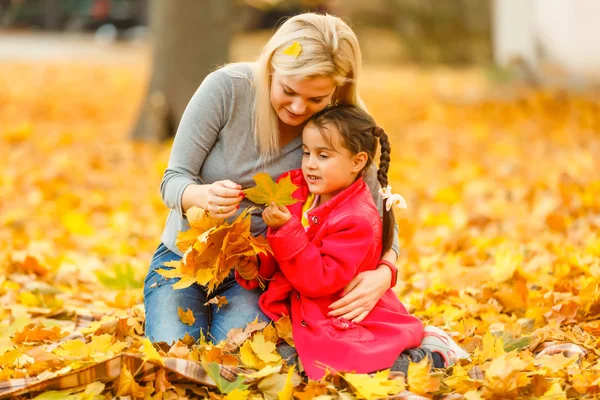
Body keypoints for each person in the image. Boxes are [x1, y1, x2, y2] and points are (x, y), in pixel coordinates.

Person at [143, 13, 468, 365]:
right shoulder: (227, 89)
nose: (299, 108)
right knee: (174, 358)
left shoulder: (339, 124)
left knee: (235, 361)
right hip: (185, 259)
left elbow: (379, 210)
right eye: (288, 91)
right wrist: (202, 196)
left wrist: (385, 271)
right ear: (271, 67)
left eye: (315, 99)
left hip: (260, 277)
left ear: (337, 90)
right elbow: (172, 180)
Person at [238, 106, 468, 379]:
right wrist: (258, 264)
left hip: (335, 311)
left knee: (345, 367)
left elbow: (319, 279)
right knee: (276, 359)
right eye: (306, 153)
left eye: (323, 156)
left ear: (357, 162)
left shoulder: (355, 219)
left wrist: (286, 229)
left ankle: (430, 355)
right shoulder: (297, 190)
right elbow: (280, 252)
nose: (310, 163)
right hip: (298, 311)